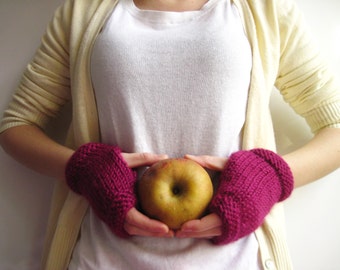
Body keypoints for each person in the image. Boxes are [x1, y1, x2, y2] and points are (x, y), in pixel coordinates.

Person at [0, 0, 340, 269]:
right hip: (101, 258)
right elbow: (16, 124)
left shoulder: (264, 9)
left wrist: (267, 179)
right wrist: (88, 171)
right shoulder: (83, 12)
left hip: (237, 260)